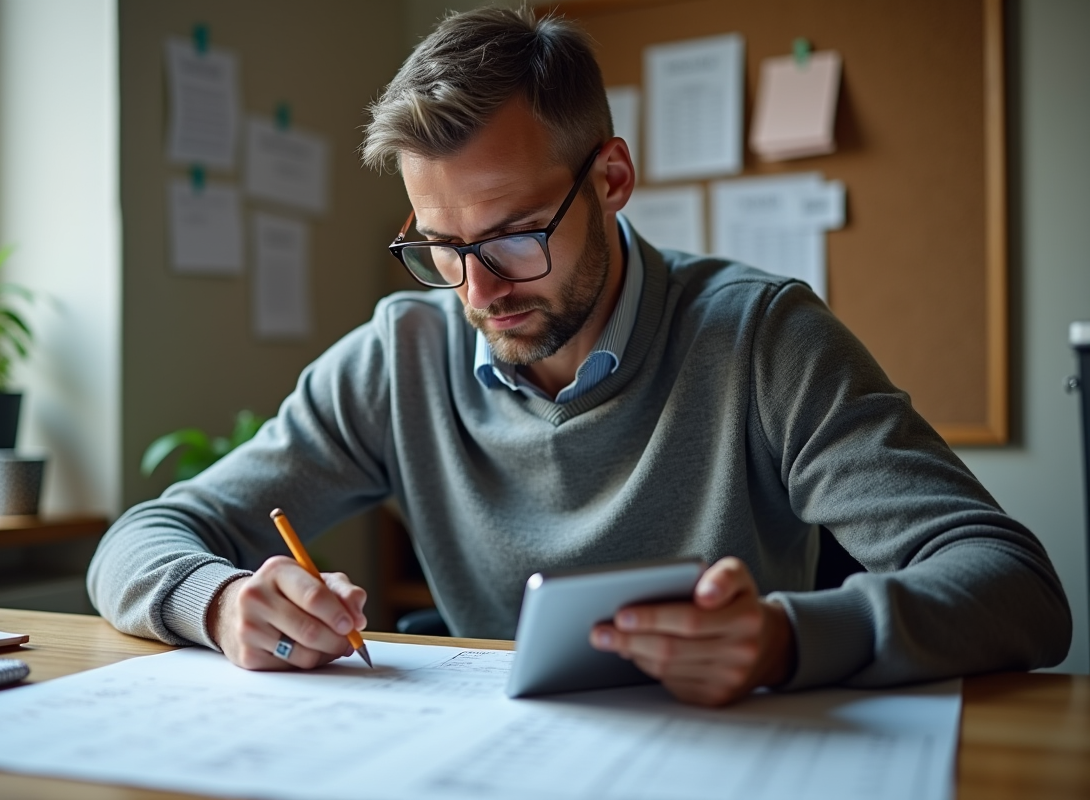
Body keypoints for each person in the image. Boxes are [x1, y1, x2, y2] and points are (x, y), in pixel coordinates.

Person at [88, 7, 1071, 707]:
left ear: (612, 177)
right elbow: (148, 531)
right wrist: (218, 600)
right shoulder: (402, 353)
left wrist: (784, 636)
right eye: (441, 246)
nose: (477, 290)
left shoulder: (764, 336)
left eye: (516, 235)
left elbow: (1015, 585)